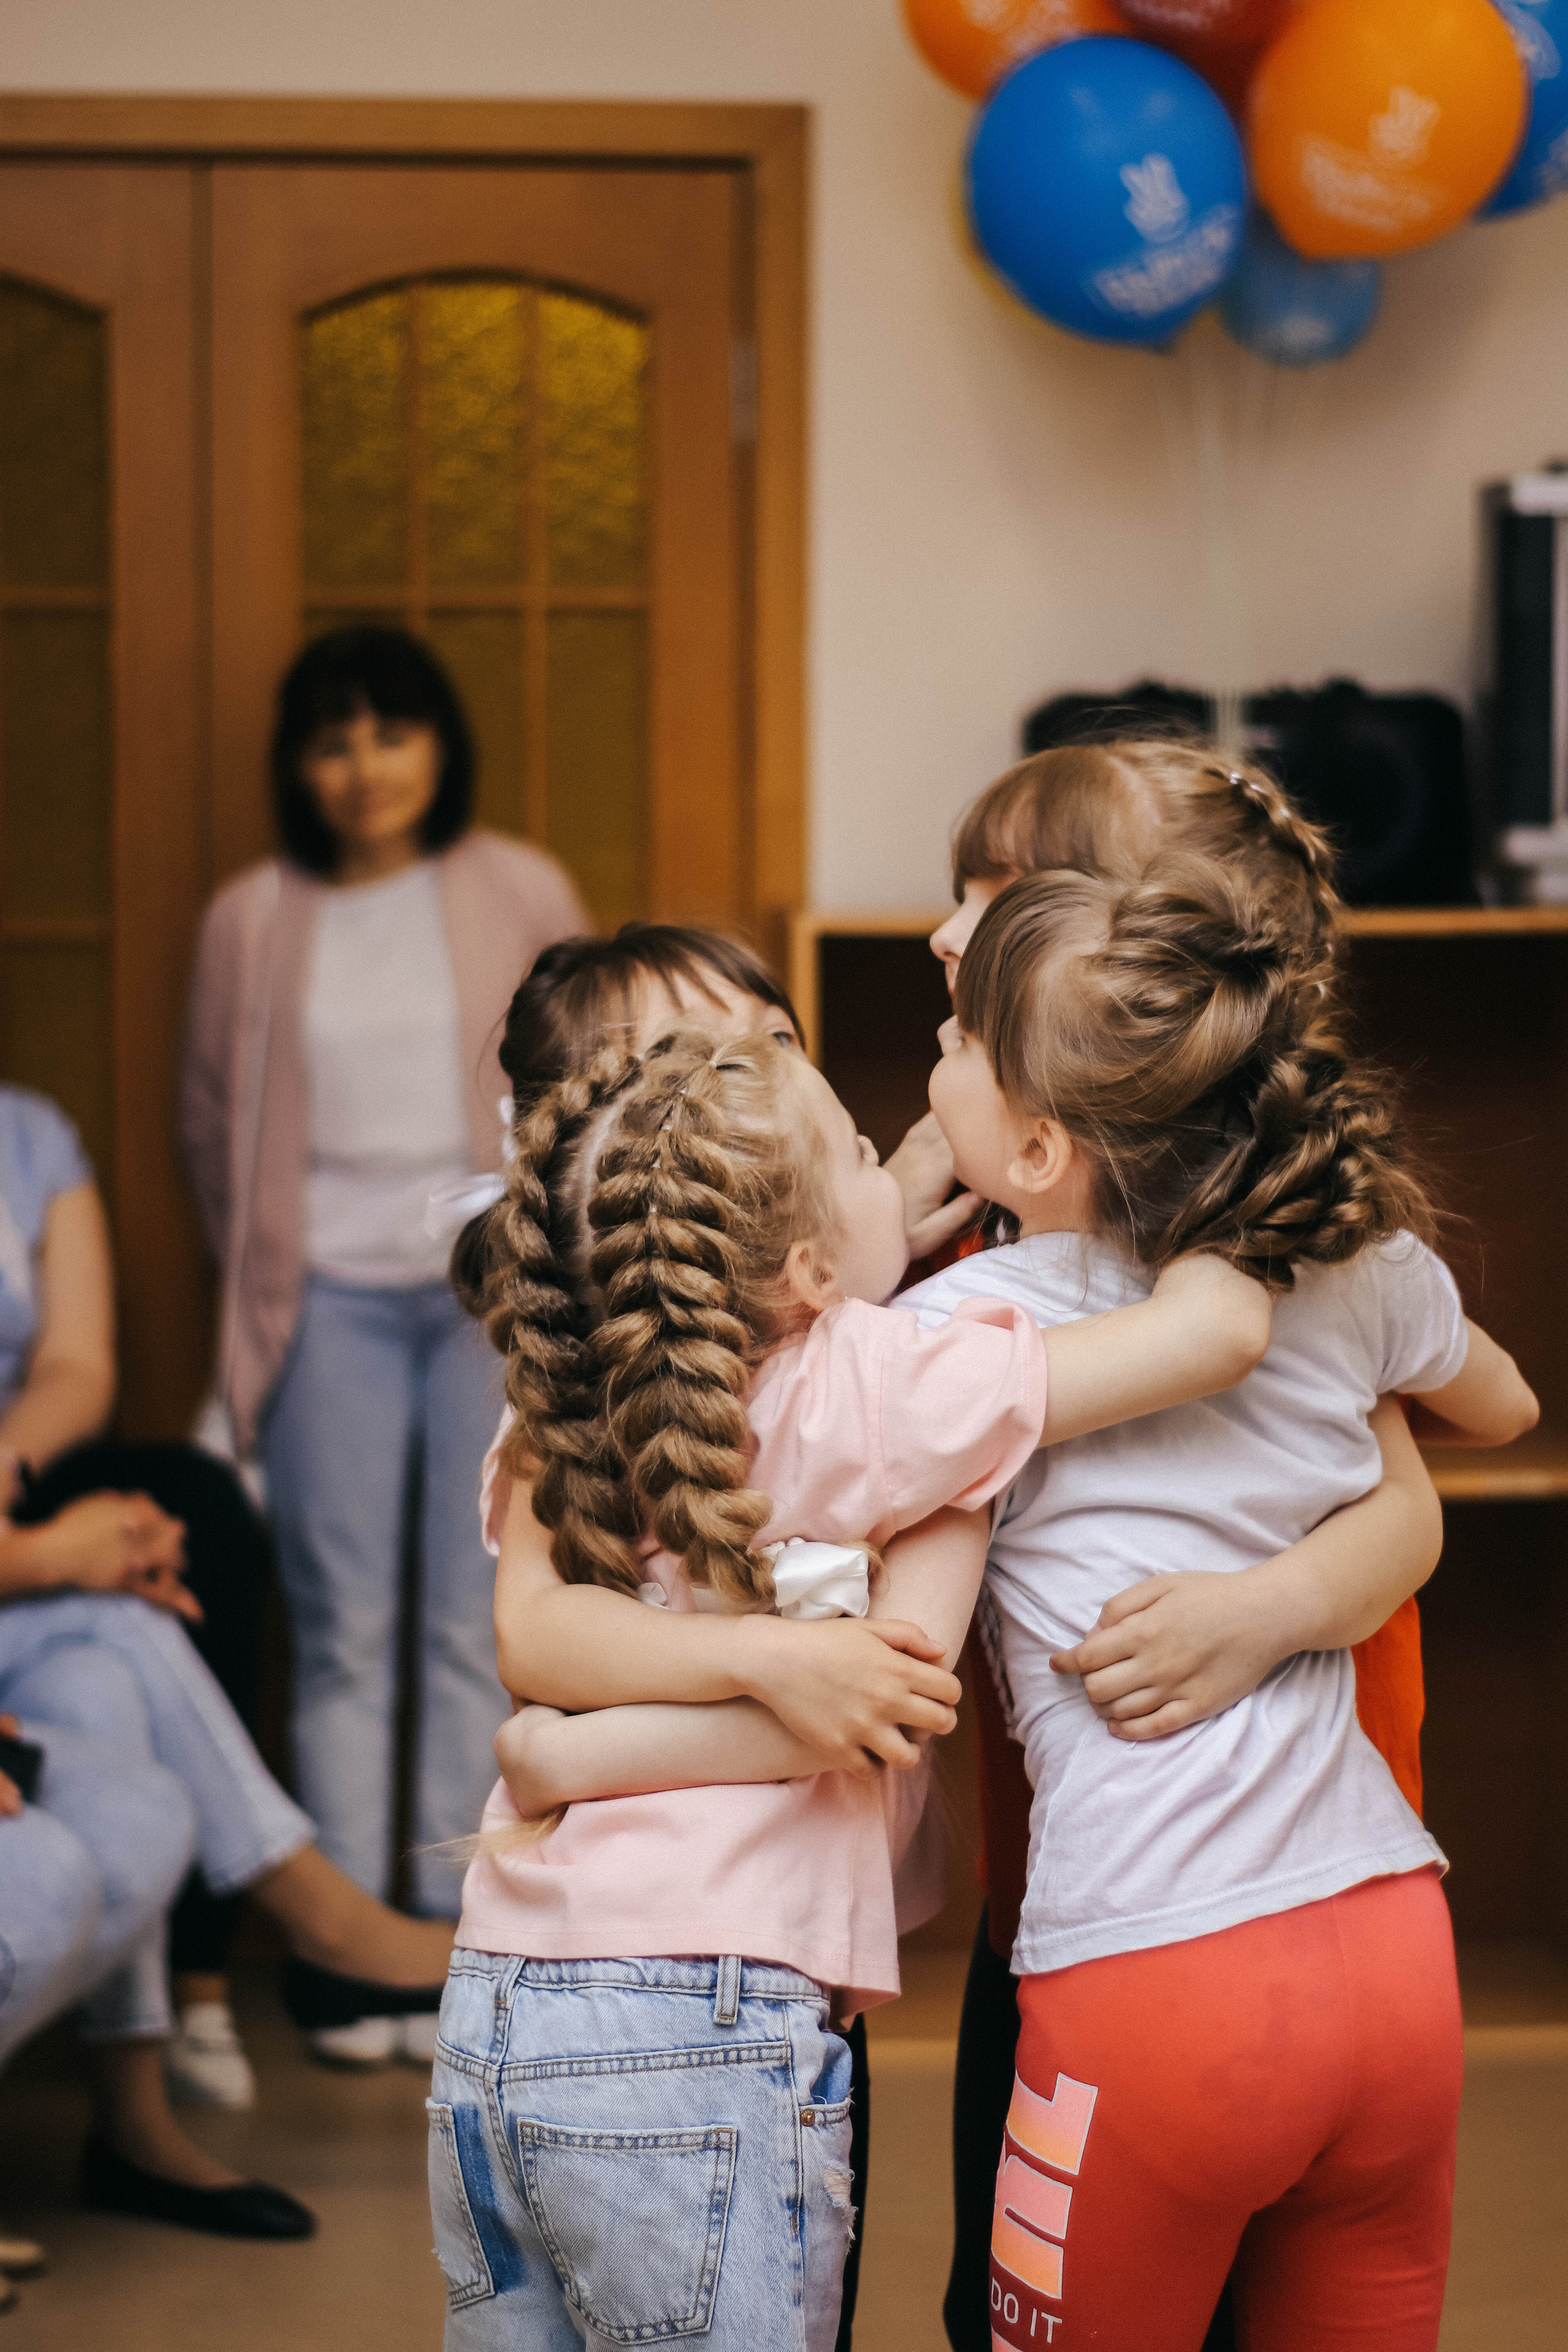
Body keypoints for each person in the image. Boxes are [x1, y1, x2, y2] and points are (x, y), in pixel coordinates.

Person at [430, 1001, 1441, 2351]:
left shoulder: (565, 1391)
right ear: (802, 1266)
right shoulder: (884, 1384)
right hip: (708, 2006)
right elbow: (1206, 1337)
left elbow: (540, 1639)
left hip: (500, 1991)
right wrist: (1269, 1163)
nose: (895, 1174)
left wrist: (566, 1755)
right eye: (860, 1154)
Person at [901, 843, 1535, 2349]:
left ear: (1041, 1145)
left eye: (956, 1046)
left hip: (1157, 1978)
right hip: (1389, 1944)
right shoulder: (1348, 1258)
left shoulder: (964, 1329)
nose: (934, 1054)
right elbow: (1500, 1408)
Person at [435, 918, 990, 2352]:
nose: (742, 1104)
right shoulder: (849, 1379)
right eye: (693, 1072)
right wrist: (771, 1668)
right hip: (722, 1982)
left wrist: (569, 1759)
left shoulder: (848, 1331)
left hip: (541, 1991)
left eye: (771, 1056)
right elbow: (539, 1637)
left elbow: (547, 1696)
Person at [180, 625, 586, 2062]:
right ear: (300, 765)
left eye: (392, 731)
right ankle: (349, 1956)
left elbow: (571, 1091)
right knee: (343, 1633)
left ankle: (457, 1941)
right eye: (333, 739)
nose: (364, 768)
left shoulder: (519, 885)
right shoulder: (252, 916)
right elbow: (217, 1132)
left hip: (485, 1294)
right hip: (329, 1304)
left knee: (475, 1625)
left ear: (439, 744)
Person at [0, 1076, 279, 2108]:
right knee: (117, 1609)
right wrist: (57, 1558)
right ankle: (299, 1894)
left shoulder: (31, 1135)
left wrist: (12, 1474)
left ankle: (188, 2002)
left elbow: (77, 1363)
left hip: (14, 1462)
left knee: (189, 1515)